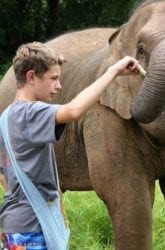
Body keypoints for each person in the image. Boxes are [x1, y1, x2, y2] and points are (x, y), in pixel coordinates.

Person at [0, 42, 142, 250]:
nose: (59, 86)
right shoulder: (30, 113)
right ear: (31, 77)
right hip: (33, 229)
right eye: (54, 78)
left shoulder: (6, 117)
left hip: (14, 226)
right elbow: (74, 111)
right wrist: (114, 71)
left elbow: (4, 175)